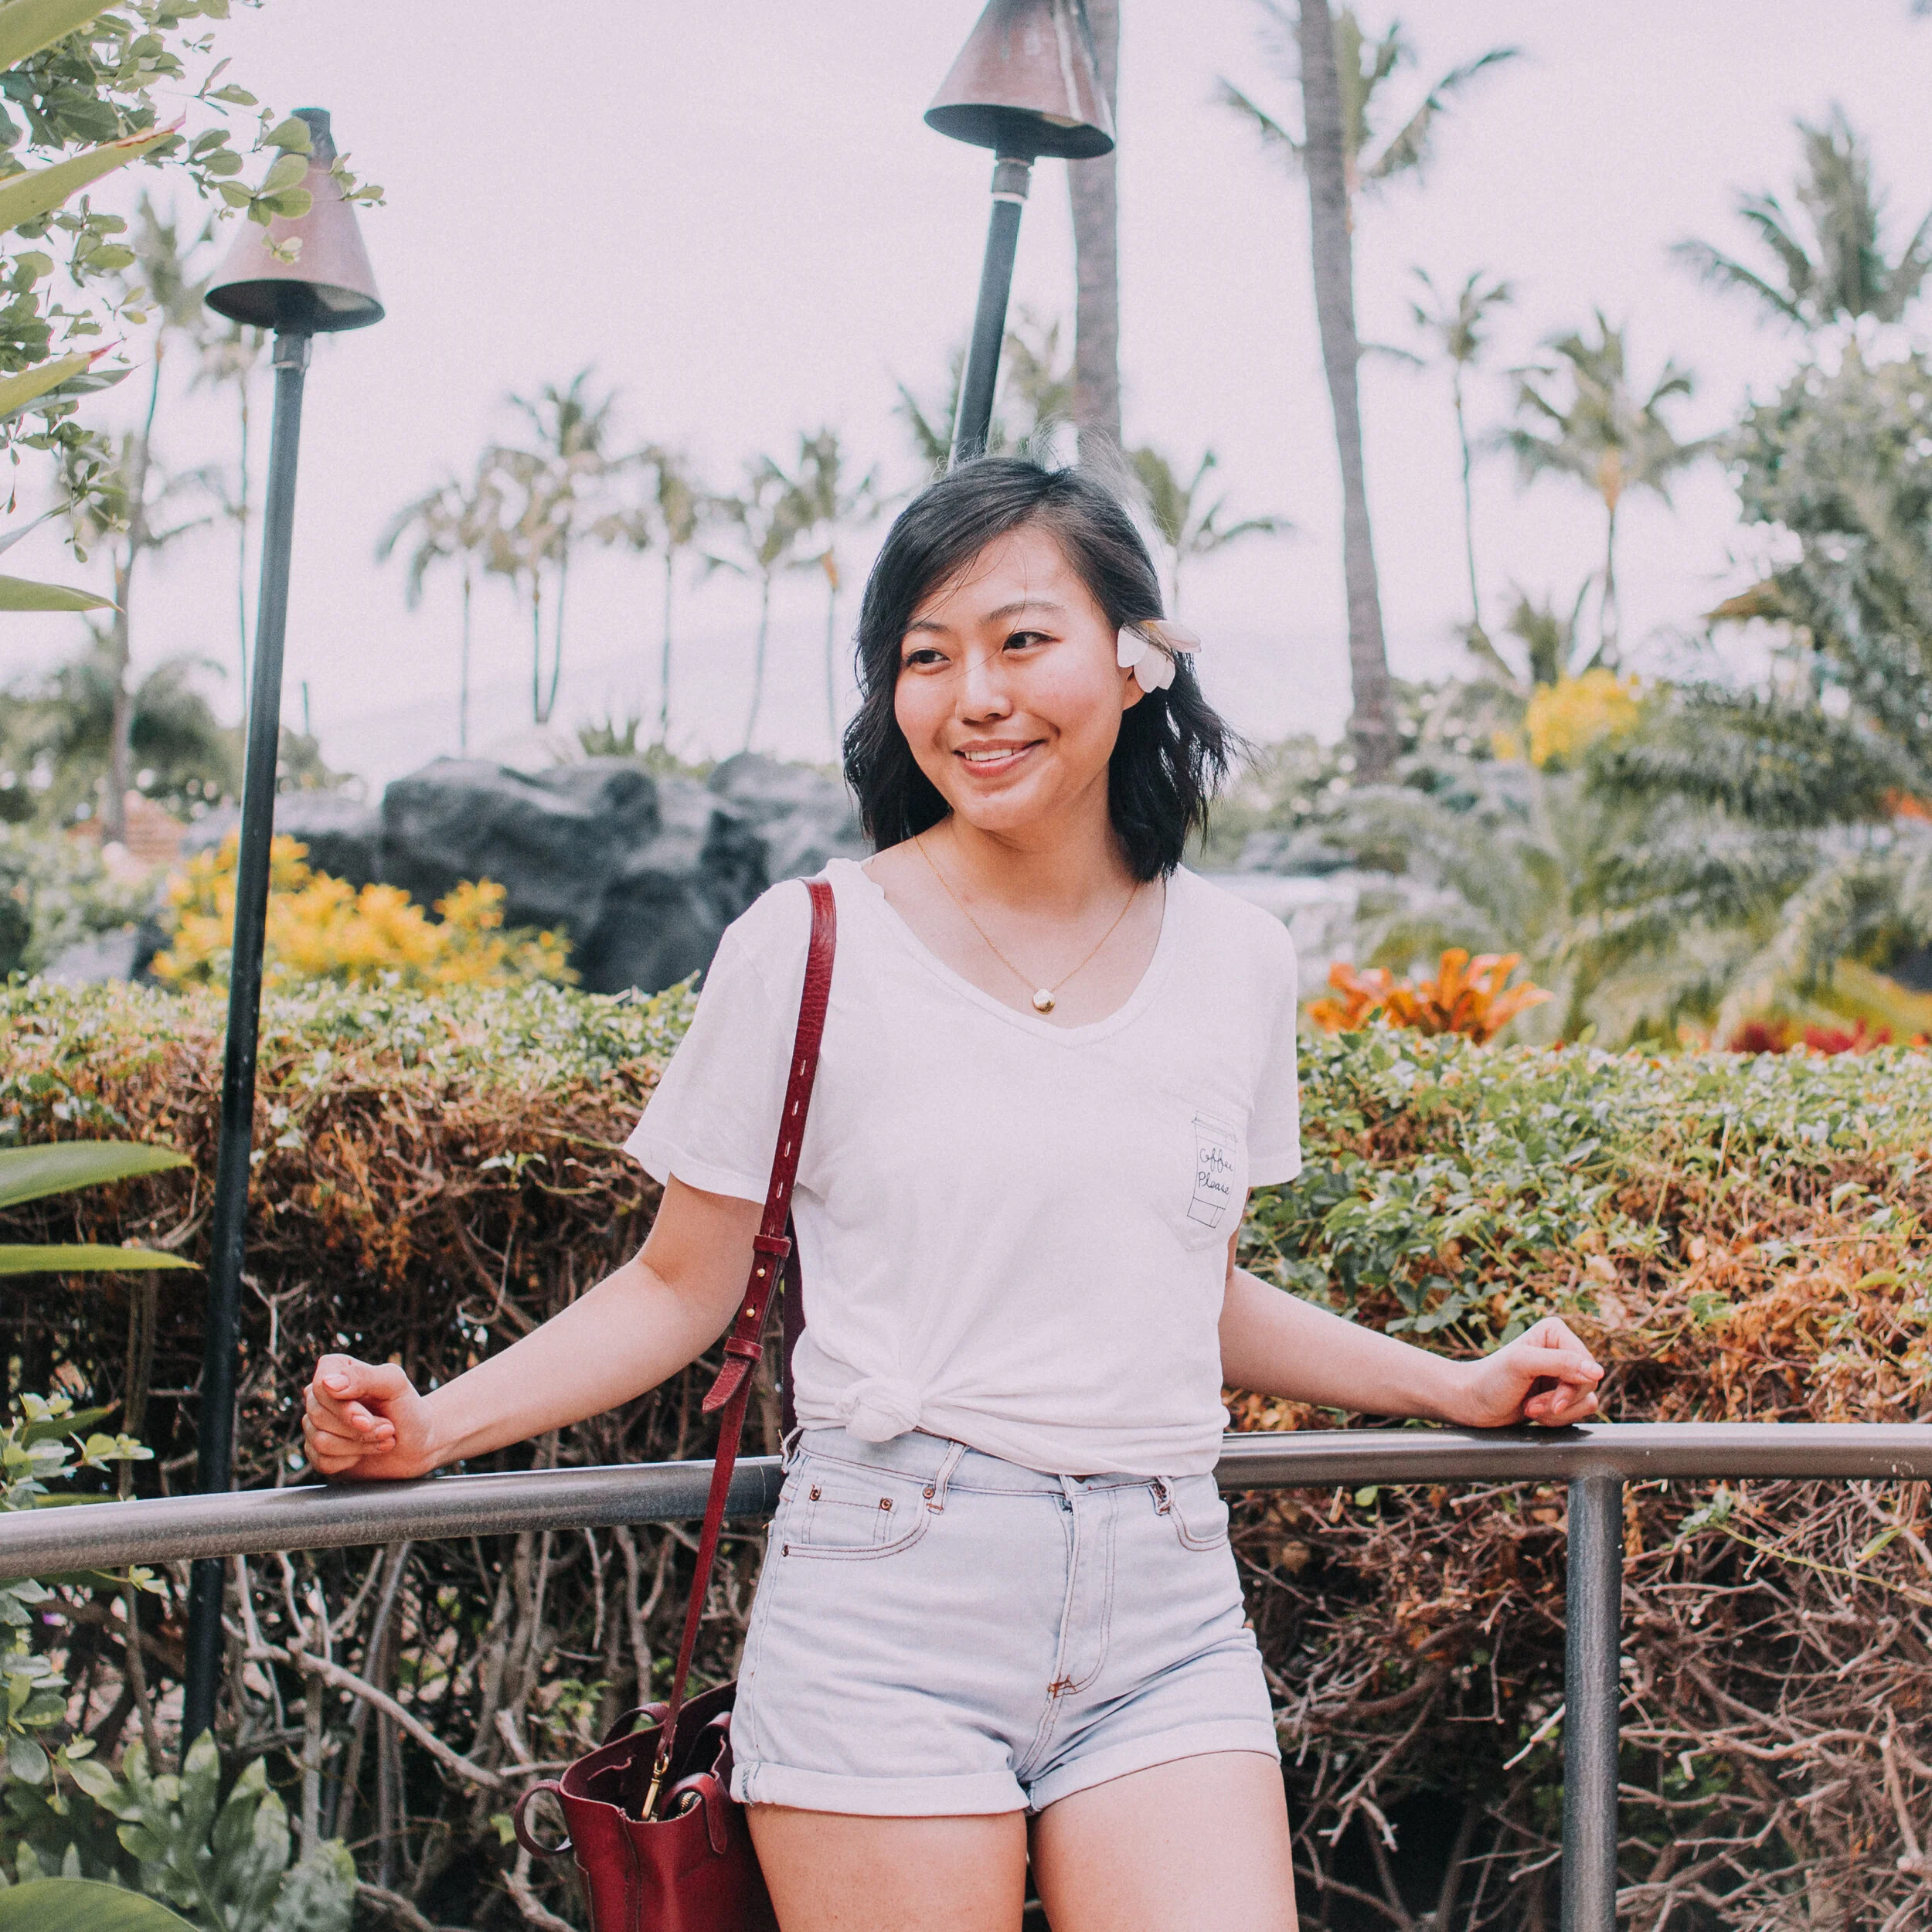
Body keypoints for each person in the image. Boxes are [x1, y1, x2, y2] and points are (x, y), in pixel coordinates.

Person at [304, 457, 1603, 1932]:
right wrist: (435, 1427)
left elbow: (1191, 1291)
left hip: (1168, 1603)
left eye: (1021, 640)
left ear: (1137, 655)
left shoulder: (1237, 961)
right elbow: (681, 1283)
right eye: (925, 657)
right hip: (888, 1598)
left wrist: (1457, 1387)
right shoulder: (809, 944)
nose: (973, 695)